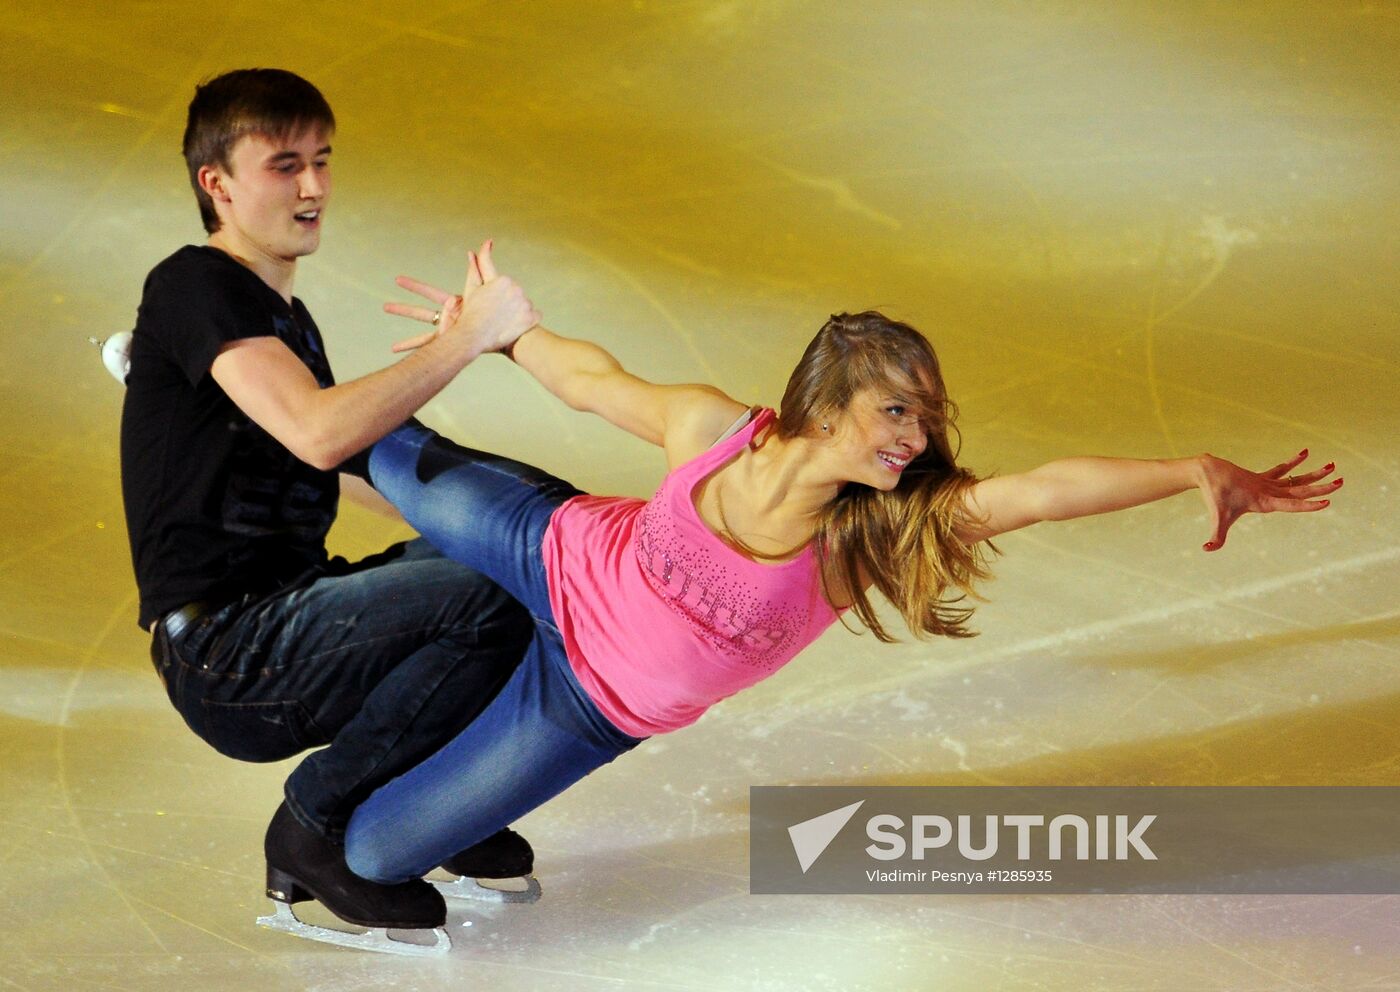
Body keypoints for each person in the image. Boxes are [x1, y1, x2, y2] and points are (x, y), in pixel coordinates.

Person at [333, 257, 1339, 885]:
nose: (916, 434)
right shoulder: (713, 430)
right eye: (895, 409)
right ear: (830, 401)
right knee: (360, 442)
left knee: (373, 854)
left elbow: (1036, 490)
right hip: (551, 545)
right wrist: (500, 333)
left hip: (589, 703)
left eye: (924, 413)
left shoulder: (879, 528)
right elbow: (595, 385)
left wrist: (1190, 470)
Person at [119, 68, 543, 937]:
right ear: (218, 184)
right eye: (284, 165)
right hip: (230, 650)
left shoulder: (284, 317)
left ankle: (431, 805)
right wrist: (463, 342)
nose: (313, 187)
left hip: (291, 614)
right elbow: (318, 432)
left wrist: (528, 530)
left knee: (507, 568)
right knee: (486, 601)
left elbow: (344, 471)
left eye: (322, 160)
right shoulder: (195, 285)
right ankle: (314, 827)